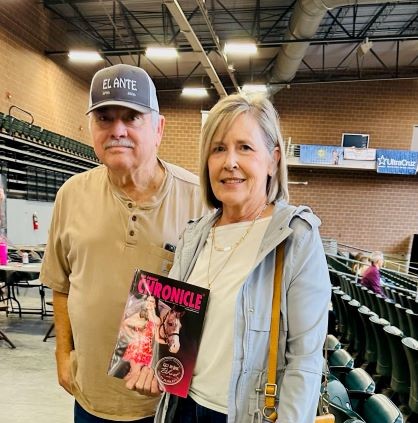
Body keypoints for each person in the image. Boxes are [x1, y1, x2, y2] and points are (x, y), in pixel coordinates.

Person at [132, 93, 331, 422]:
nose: (230, 162)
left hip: (245, 415)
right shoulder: (195, 234)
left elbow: (305, 360)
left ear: (273, 160)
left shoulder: (296, 237)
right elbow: (169, 321)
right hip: (181, 409)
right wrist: (147, 364)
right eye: (218, 148)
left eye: (245, 147)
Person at [40, 64, 206, 422]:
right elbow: (61, 284)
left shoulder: (199, 201)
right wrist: (63, 355)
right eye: (105, 118)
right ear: (91, 129)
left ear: (159, 128)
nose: (118, 130)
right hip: (90, 399)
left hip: (167, 405)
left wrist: (171, 366)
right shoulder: (71, 194)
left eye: (132, 117)